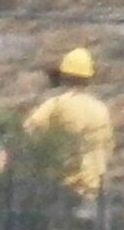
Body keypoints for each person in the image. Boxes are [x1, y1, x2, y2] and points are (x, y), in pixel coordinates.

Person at [19, 44, 115, 197]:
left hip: (67, 188)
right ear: (89, 78)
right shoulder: (101, 108)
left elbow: (28, 130)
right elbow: (108, 147)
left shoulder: (57, 104)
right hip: (96, 188)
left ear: (64, 77)